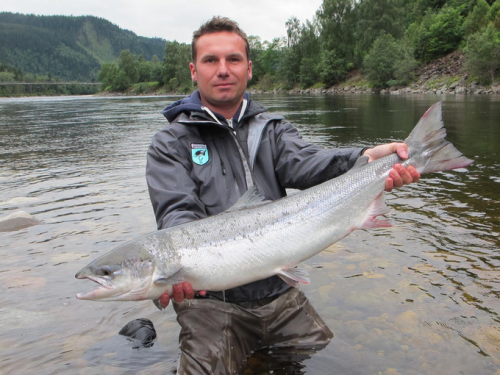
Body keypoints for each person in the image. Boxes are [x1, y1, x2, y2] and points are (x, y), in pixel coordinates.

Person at [146, 16, 420, 374]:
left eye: (233, 59)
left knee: (337, 366)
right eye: (211, 60)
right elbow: (176, 214)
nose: (223, 70)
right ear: (194, 71)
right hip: (211, 304)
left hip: (278, 291)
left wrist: (365, 159)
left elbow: (311, 165)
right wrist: (178, 268)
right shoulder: (170, 143)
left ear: (249, 68)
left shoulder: (272, 129)